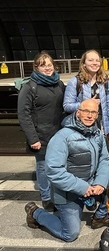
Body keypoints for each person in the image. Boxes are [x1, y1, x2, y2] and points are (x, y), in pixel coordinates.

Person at [25, 99, 109, 242]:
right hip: (67, 191)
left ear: (97, 115)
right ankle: (35, 213)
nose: (89, 115)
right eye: (86, 111)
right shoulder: (62, 137)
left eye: (93, 112)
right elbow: (53, 171)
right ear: (78, 112)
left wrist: (100, 183)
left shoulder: (97, 134)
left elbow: (104, 160)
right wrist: (82, 188)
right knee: (70, 234)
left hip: (90, 181)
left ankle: (100, 216)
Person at [18, 51, 66, 211]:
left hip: (58, 133)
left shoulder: (58, 84)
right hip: (40, 136)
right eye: (43, 65)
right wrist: (33, 139)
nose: (47, 68)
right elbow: (23, 115)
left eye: (50, 64)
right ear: (36, 67)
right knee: (43, 166)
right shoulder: (29, 87)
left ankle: (58, 194)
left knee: (59, 165)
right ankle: (46, 197)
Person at [63, 50, 109, 150]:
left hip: (102, 128)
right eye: (90, 60)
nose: (95, 63)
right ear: (84, 63)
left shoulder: (106, 83)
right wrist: (86, 104)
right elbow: (67, 106)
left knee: (103, 160)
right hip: (81, 130)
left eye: (97, 60)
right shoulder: (75, 82)